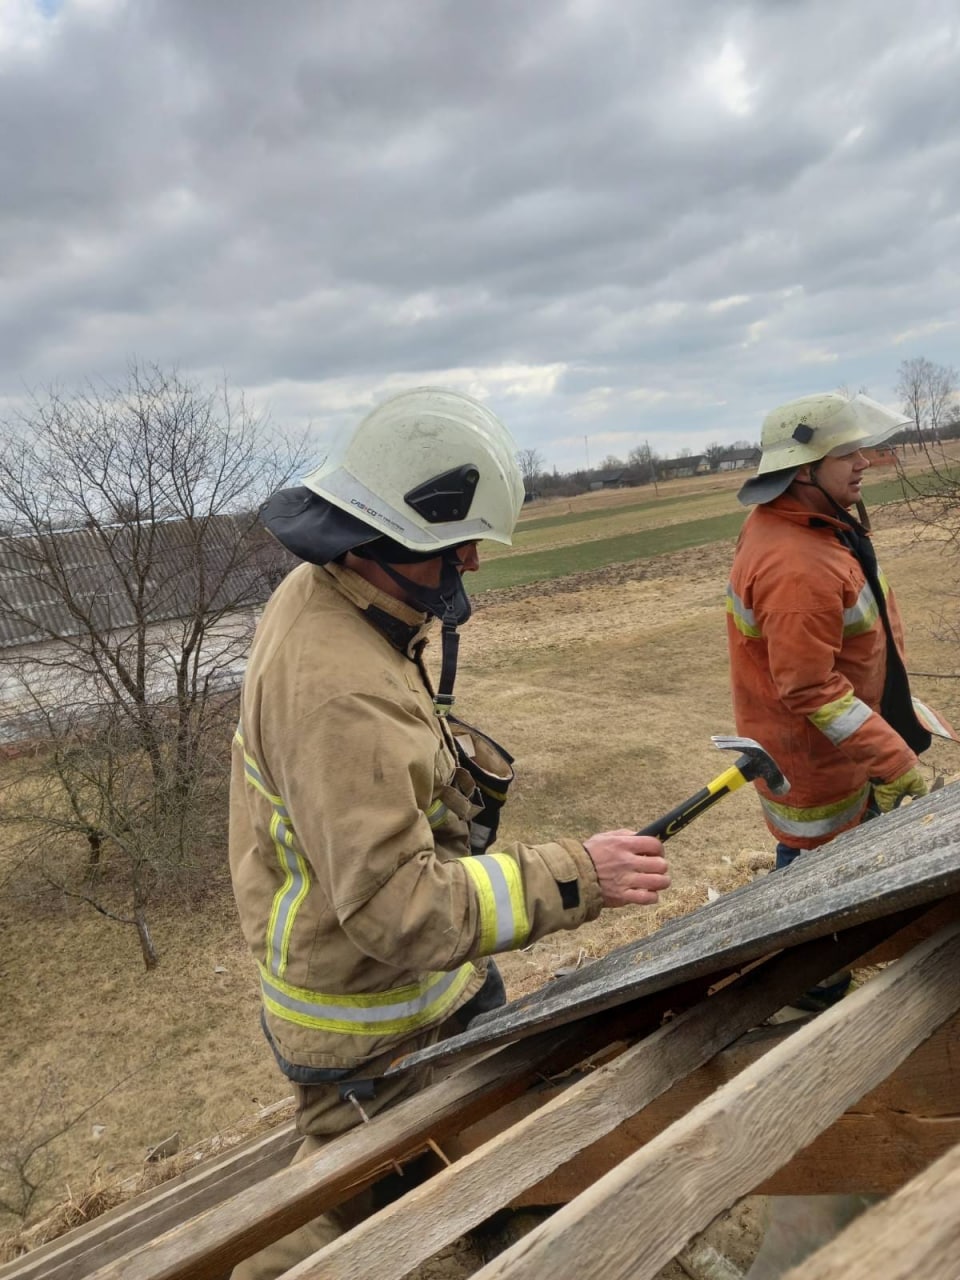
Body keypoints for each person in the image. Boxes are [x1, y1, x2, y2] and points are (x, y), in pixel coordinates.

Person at [228, 387, 670, 1279]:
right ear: (377, 534)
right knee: (370, 1219)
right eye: (450, 544)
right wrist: (577, 874)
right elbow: (398, 912)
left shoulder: (334, 595)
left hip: (428, 998)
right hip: (372, 1040)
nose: (470, 559)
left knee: (501, 1165)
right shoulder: (338, 690)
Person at [726, 391, 935, 1010]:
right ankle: (809, 996)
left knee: (828, 878)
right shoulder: (798, 564)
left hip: (839, 754)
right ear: (802, 470)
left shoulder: (809, 524)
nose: (862, 462)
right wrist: (893, 760)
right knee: (815, 891)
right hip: (820, 769)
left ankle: (818, 979)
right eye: (845, 453)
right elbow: (810, 686)